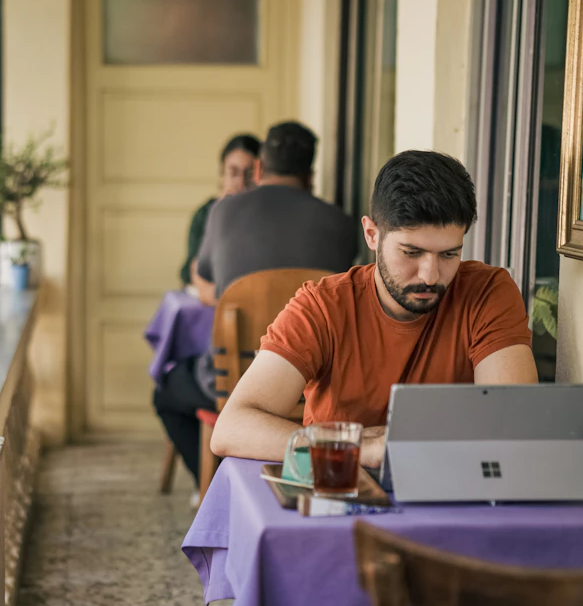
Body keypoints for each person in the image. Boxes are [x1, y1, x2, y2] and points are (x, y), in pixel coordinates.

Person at [209, 150, 538, 469]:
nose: (430, 275)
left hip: (451, 497)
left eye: (449, 255)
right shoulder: (322, 306)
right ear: (371, 234)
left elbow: (513, 426)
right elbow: (231, 428)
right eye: (411, 252)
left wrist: (388, 440)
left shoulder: (488, 291)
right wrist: (358, 448)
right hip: (339, 492)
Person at [154, 121, 358, 486]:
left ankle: (216, 484)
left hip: (231, 380)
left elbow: (209, 281)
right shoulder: (342, 224)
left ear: (260, 168)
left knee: (167, 392)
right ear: (309, 175)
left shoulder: (224, 212)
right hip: (313, 384)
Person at [182, 133, 261, 306]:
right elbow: (191, 272)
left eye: (248, 175)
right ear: (222, 175)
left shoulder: (268, 215)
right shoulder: (205, 214)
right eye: (233, 173)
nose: (241, 183)